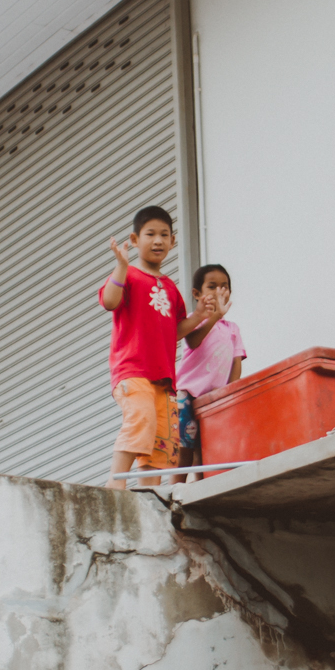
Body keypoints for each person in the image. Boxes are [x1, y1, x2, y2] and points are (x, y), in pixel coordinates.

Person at [98, 206, 217, 486]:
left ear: (173, 241)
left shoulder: (171, 289)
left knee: (162, 441)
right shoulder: (129, 275)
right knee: (141, 419)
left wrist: (199, 316)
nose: (158, 241)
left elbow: (174, 331)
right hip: (133, 370)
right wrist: (121, 266)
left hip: (164, 379)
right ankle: (115, 484)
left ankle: (149, 494)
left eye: (164, 235)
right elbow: (110, 302)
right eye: (150, 234)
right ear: (134, 239)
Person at [175, 263, 246, 473]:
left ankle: (198, 483)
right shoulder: (195, 319)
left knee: (204, 449)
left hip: (214, 398)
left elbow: (236, 363)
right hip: (188, 394)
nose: (218, 291)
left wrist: (229, 394)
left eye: (224, 287)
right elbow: (193, 341)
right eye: (212, 287)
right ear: (197, 294)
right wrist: (214, 315)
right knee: (185, 447)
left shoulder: (233, 329)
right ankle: (176, 485)